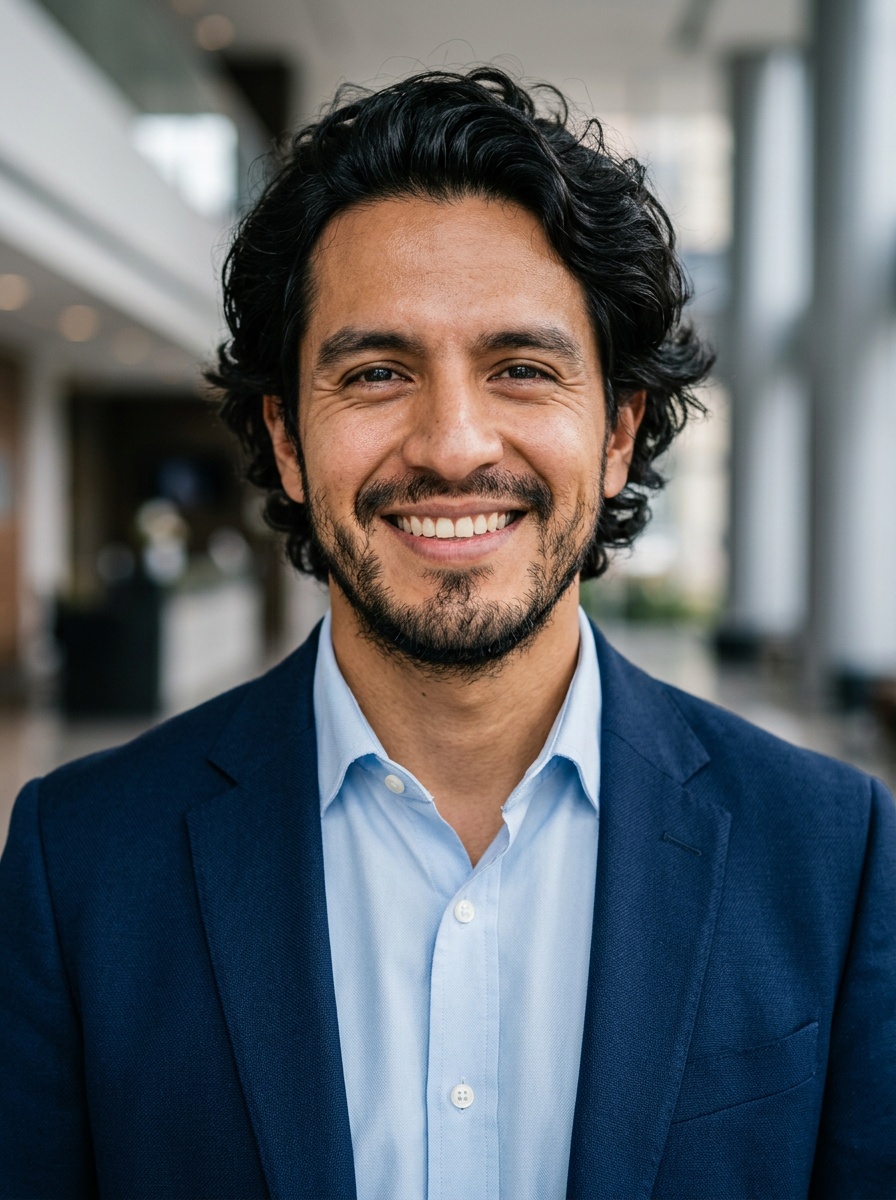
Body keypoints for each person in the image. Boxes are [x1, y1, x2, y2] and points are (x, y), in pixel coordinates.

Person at [0, 67, 893, 1200]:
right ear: (284, 438)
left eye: (520, 369)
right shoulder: (79, 865)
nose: (454, 444)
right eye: (376, 373)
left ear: (617, 431)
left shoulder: (831, 854)